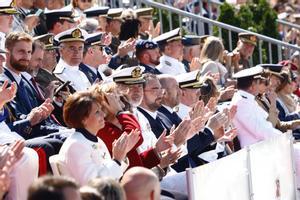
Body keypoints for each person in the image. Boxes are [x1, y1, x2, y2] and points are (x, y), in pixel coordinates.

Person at [58, 91, 138, 185]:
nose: (103, 115)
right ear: (83, 119)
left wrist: (122, 155)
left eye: (101, 110)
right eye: (97, 112)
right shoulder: (76, 145)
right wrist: (116, 159)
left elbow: (111, 173)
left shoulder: (94, 140)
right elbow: (92, 184)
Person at [230, 66, 282, 148]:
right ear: (253, 84)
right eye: (259, 82)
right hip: (256, 151)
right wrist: (284, 139)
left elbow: (267, 123)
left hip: (263, 146)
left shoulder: (247, 99)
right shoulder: (241, 102)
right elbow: (262, 131)